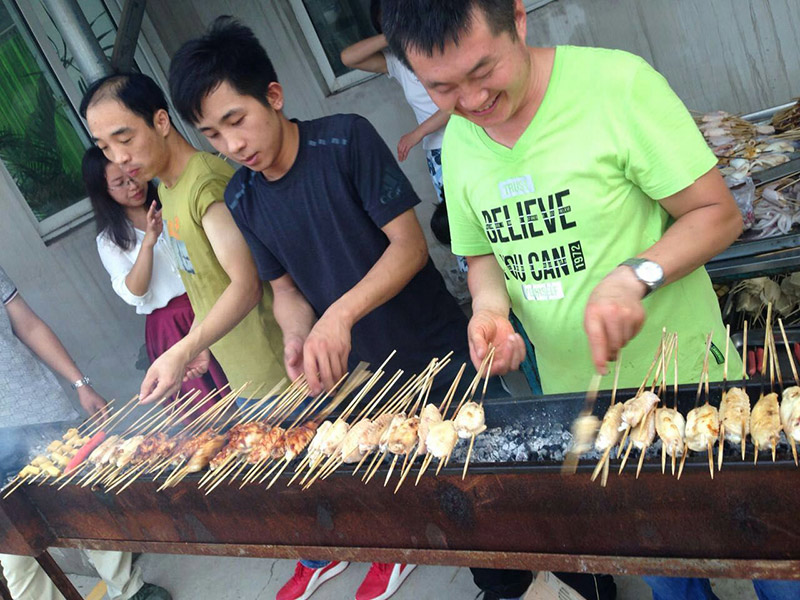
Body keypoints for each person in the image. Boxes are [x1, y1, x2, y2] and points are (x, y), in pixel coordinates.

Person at [382, 1, 800, 599]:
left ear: (518, 19)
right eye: (441, 87)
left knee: (776, 566)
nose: (471, 102)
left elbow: (718, 213)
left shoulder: (617, 85)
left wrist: (638, 273)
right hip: (588, 412)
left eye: (483, 72)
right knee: (671, 582)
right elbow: (482, 258)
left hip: (695, 386)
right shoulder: (462, 145)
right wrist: (489, 311)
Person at [167, 16, 520, 600]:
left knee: (492, 489)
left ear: (273, 96)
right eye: (212, 135)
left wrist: (339, 315)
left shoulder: (345, 140)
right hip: (367, 384)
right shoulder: (242, 196)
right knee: (436, 503)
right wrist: (298, 339)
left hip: (436, 353)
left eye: (237, 120)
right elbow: (286, 293)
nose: (232, 146)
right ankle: (500, 586)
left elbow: (407, 248)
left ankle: (567, 583)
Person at [79, 73, 287, 405]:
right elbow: (208, 287)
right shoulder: (168, 192)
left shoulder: (203, 183)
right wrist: (198, 343)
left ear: (160, 121)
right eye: (105, 147)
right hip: (246, 376)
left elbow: (246, 285)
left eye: (125, 138)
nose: (118, 157)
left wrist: (183, 349)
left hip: (281, 372)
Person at [0, 265, 170, 600]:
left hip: (39, 410)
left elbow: (28, 325)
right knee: (14, 551)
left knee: (86, 503)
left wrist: (80, 383)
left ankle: (129, 588)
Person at [83, 147, 227, 415]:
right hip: (170, 326)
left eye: (133, 175)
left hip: (211, 303)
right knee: (207, 410)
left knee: (241, 383)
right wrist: (148, 241)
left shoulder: (169, 200)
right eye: (120, 183)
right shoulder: (110, 240)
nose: (132, 185)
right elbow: (135, 293)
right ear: (104, 192)